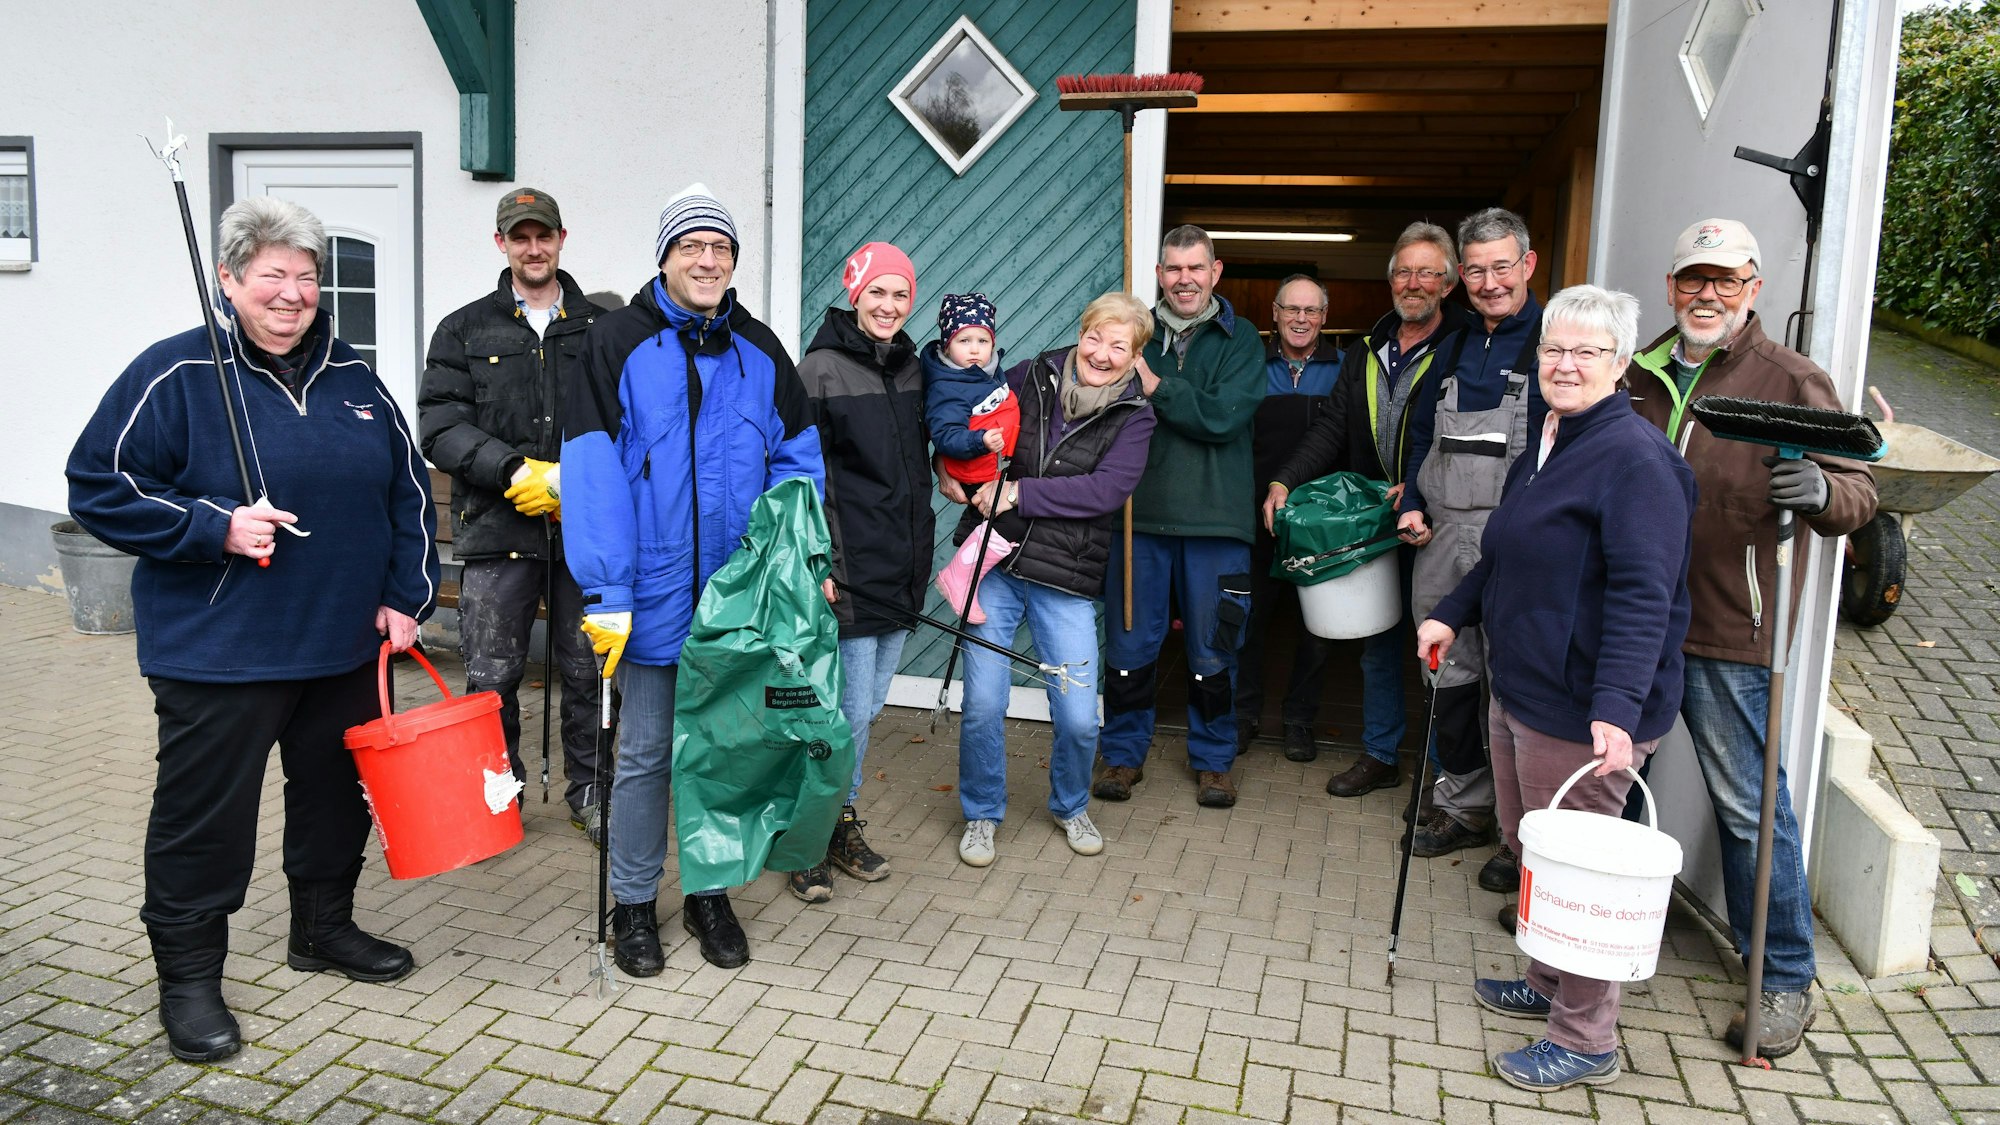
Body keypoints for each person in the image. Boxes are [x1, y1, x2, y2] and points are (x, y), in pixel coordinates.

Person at [67, 197, 439, 1062]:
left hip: (344, 644)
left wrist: (405, 595)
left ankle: (322, 929)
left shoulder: (355, 378)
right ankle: (190, 978)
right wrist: (214, 525)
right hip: (221, 651)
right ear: (230, 279)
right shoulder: (177, 373)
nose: (292, 293)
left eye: (306, 277)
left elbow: (407, 492)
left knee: (333, 801)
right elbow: (98, 482)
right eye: (272, 275)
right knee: (206, 821)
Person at [1416, 284, 1696, 1092]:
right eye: (1553, 350)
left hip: (1584, 706)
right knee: (1530, 843)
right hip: (1524, 685)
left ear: (1619, 363)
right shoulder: (1552, 437)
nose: (1565, 364)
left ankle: (1585, 1036)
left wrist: (1614, 707)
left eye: (1585, 352)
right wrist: (1451, 613)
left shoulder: (1637, 460)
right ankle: (1545, 982)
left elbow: (1648, 594)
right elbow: (1502, 552)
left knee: (1578, 874)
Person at [1629, 218, 1877, 1057]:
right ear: (1671, 287)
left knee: (1749, 809)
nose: (1707, 294)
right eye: (1693, 279)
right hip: (1635, 621)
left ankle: (1781, 978)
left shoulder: (1790, 379)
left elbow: (1858, 492)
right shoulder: (1640, 369)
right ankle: (1618, 934)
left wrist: (1820, 490)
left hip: (1731, 624)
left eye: (1726, 281)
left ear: (1752, 291)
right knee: (1618, 787)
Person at [562, 184, 824, 973]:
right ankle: (633, 904)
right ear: (666, 257)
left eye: (721, 248)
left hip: (739, 602)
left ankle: (711, 892)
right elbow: (593, 472)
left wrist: (793, 573)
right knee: (642, 753)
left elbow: (797, 467)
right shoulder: (615, 343)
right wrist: (607, 591)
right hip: (651, 593)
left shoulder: (761, 350)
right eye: (692, 247)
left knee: (724, 751)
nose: (707, 260)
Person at [419, 187, 606, 843]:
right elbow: (440, 426)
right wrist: (512, 469)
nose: (533, 247)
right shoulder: (464, 329)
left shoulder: (600, 328)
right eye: (519, 236)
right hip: (497, 532)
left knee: (587, 669)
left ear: (561, 237)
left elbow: (629, 423)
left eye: (543, 234)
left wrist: (574, 478)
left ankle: (590, 790)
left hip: (583, 529)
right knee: (491, 677)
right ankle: (497, 796)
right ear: (501, 243)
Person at [952, 293, 1158, 866]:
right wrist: (951, 471)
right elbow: (969, 418)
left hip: (1066, 575)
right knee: (984, 703)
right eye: (1096, 337)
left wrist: (1019, 491)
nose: (1102, 353)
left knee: (1073, 711)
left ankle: (1070, 805)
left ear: (1136, 355)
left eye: (1120, 346)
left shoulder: (1136, 416)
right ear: (1081, 332)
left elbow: (1106, 491)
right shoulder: (1029, 375)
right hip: (995, 562)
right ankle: (981, 813)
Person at [1262, 225, 1470, 781]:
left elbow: (1455, 438)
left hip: (1438, 521)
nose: (1414, 282)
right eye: (1404, 271)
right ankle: (1381, 754)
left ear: (1448, 284)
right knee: (1377, 643)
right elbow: (1331, 426)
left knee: (1442, 648)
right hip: (1376, 524)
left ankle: (1445, 775)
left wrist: (1420, 489)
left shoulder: (1466, 348)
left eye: (1428, 272)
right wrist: (1285, 479)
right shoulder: (1367, 351)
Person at [1394, 208, 1547, 892]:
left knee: (1515, 690)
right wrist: (1414, 502)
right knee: (1448, 677)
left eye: (1501, 268)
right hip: (1443, 530)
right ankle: (1463, 806)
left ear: (1529, 266)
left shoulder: (1552, 343)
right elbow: (1424, 431)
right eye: (1477, 270)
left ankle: (1523, 839)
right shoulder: (1453, 345)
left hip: (1515, 540)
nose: (1489, 283)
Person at [1093, 225, 1264, 808]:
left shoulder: (1241, 340)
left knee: (1215, 647)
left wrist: (1158, 387)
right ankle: (1120, 754)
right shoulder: (1135, 333)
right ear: (1160, 274)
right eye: (1173, 269)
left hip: (1217, 521)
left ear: (1215, 273)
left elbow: (1224, 418)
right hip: (1138, 517)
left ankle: (1215, 760)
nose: (1184, 279)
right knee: (1129, 643)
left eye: (1196, 269)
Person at [789, 241, 934, 903]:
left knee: (868, 709)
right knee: (843, 715)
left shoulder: (912, 369)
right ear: (855, 294)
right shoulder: (818, 368)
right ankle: (810, 837)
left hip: (899, 569)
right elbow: (798, 480)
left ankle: (830, 819)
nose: (889, 305)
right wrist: (817, 562)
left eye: (900, 294)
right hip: (845, 572)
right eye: (877, 292)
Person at [1237, 275, 1340, 762]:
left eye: (1311, 311)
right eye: (1291, 309)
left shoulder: (1343, 368)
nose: (1301, 319)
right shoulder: (1249, 367)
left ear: (1325, 316)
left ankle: (1299, 719)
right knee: (1248, 621)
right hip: (1258, 515)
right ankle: (1243, 714)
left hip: (1320, 522)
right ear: (1274, 314)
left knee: (1315, 629)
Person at [924, 292, 1019, 487]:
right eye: (964, 340)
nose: (974, 349)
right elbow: (946, 435)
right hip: (978, 477)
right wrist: (980, 441)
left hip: (1004, 466)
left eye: (982, 341)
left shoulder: (990, 371)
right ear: (947, 347)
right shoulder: (947, 388)